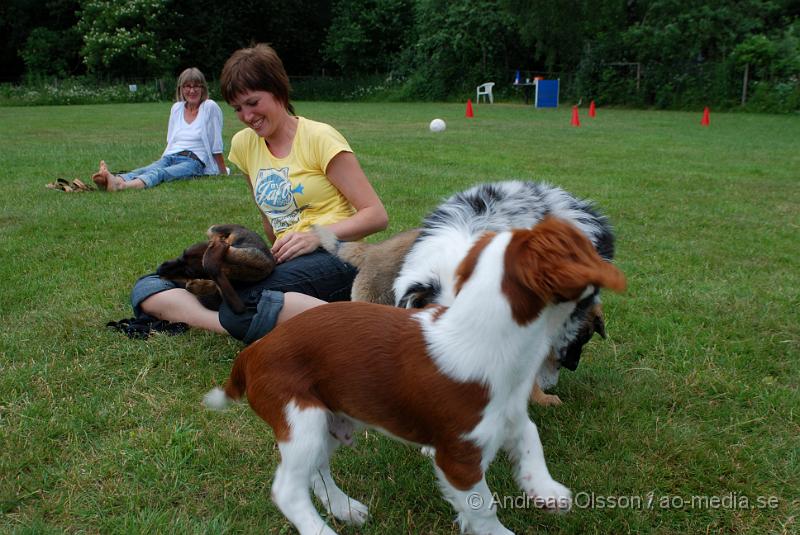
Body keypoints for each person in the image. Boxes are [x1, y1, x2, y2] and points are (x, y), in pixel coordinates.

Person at [129, 44, 388, 343]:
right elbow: (270, 219)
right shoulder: (244, 145)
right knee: (151, 285)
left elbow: (376, 215)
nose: (247, 116)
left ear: (278, 90)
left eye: (253, 102)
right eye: (238, 108)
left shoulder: (320, 137)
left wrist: (316, 235)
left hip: (338, 257)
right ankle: (253, 319)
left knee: (243, 299)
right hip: (287, 260)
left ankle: (357, 326)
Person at [92, 68, 226, 191]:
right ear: (181, 89)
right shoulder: (177, 108)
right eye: (187, 86)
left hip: (193, 161)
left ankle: (122, 185)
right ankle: (109, 179)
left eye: (197, 86)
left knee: (160, 173)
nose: (192, 91)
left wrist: (221, 171)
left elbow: (216, 143)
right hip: (171, 156)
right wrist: (163, 160)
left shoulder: (209, 107)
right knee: (144, 170)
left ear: (203, 88)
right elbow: (171, 141)